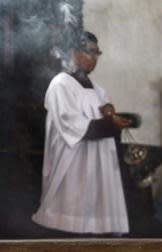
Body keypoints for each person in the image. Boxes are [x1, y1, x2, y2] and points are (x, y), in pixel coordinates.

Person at [32, 31, 131, 234]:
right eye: (89, 53)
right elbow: (74, 126)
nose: (93, 59)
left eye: (97, 54)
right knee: (70, 225)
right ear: (75, 53)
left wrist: (112, 116)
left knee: (97, 222)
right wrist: (112, 124)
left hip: (99, 165)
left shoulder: (99, 90)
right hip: (72, 165)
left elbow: (105, 115)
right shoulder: (61, 85)